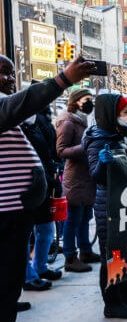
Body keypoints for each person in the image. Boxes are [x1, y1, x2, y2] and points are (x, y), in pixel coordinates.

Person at [0, 54, 95, 322]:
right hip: (5, 212)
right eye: (3, 73)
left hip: (17, 209)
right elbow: (20, 104)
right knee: (4, 280)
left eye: (12, 73)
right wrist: (63, 79)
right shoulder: (8, 108)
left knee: (9, 281)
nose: (10, 79)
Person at [83, 94, 127, 319]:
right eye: (123, 113)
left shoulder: (122, 135)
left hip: (124, 202)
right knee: (109, 256)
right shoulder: (99, 140)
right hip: (108, 206)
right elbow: (97, 177)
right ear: (110, 115)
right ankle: (111, 303)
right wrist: (103, 164)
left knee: (124, 250)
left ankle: (125, 292)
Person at [56, 88, 99, 273]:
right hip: (75, 179)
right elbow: (61, 150)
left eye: (92, 99)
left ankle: (86, 251)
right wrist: (85, 147)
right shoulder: (68, 122)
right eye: (87, 99)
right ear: (76, 101)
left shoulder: (85, 120)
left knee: (85, 218)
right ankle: (70, 257)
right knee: (72, 220)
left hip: (87, 177)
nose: (90, 102)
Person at [21, 106, 63, 291]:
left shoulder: (35, 126)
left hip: (43, 186)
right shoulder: (17, 128)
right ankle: (28, 276)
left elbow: (45, 154)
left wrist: (51, 176)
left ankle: (40, 266)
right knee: (24, 235)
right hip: (26, 189)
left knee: (46, 228)